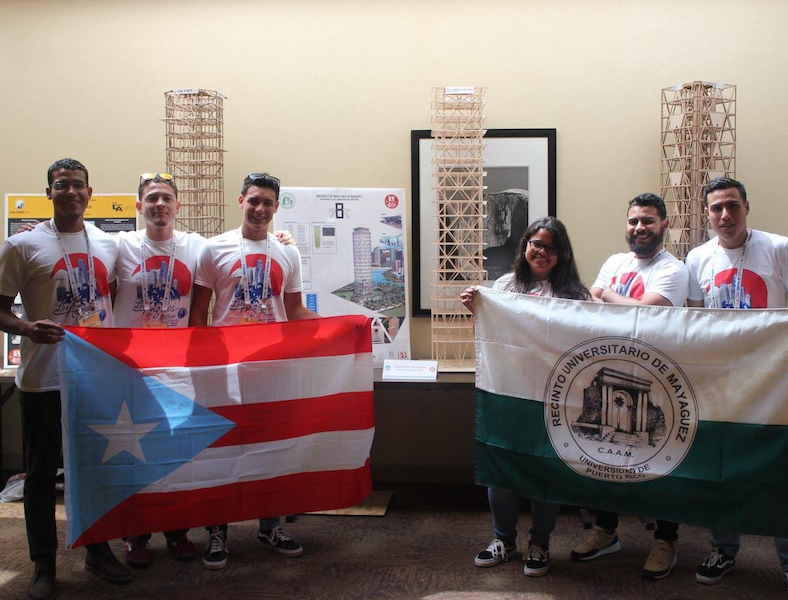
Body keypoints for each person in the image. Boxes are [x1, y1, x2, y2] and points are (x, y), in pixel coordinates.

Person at [0, 159, 131, 600]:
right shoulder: (21, 246)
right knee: (41, 474)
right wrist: (25, 328)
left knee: (94, 469)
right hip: (43, 379)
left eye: (78, 185)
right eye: (62, 186)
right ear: (49, 192)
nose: (71, 192)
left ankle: (97, 550)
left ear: (90, 193)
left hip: (94, 378)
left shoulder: (109, 244)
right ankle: (43, 564)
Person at [190, 171, 319, 570]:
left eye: (268, 202)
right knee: (223, 448)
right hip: (226, 367)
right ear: (240, 201)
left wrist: (336, 330)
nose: (260, 209)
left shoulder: (289, 253)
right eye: (254, 201)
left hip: (272, 367)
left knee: (271, 447)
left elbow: (295, 309)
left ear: (277, 207)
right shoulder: (214, 250)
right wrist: (202, 365)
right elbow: (199, 314)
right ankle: (217, 532)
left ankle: (270, 526)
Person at [461, 216, 590, 577]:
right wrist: (478, 310)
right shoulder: (505, 285)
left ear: (562, 252)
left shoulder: (577, 295)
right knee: (501, 468)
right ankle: (503, 539)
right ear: (525, 246)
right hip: (508, 393)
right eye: (536, 243)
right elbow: (492, 334)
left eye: (550, 246)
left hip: (554, 398)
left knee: (545, 472)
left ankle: (540, 542)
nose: (542, 252)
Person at [574, 192, 689, 580]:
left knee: (661, 458)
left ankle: (666, 542)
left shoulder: (674, 269)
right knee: (605, 454)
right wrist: (608, 299)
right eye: (633, 221)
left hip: (658, 379)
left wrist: (609, 295)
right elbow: (590, 303)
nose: (639, 228)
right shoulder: (615, 262)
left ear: (664, 225)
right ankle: (606, 533)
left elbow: (647, 313)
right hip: (610, 367)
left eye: (648, 221)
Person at [686, 177, 788, 590]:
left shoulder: (779, 249)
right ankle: (723, 548)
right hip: (721, 383)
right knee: (720, 469)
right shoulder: (696, 258)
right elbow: (692, 320)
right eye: (716, 209)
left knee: (780, 468)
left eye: (732, 206)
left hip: (774, 380)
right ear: (707, 213)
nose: (724, 216)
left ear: (747, 206)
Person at [113, 173, 203, 567]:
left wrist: (282, 238)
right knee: (135, 454)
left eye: (167, 198)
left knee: (175, 452)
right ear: (139, 206)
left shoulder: (196, 246)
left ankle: (177, 531)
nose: (160, 205)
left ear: (178, 206)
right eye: (151, 199)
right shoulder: (118, 245)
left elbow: (244, 242)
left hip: (177, 367)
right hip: (130, 368)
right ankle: (136, 535)